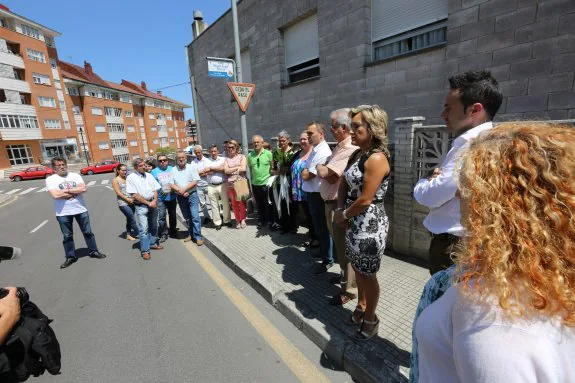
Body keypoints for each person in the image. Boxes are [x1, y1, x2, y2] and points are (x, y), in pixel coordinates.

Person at [415, 123, 575, 382]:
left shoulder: (491, 325)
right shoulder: (550, 279)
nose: (459, 199)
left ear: (488, 203)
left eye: (464, 189)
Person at [413, 70, 503, 275]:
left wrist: (424, 181)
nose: (443, 115)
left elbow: (430, 196)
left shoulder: (471, 146)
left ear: (474, 110)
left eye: (448, 108)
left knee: (442, 302)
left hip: (454, 247)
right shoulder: (488, 140)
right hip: (464, 243)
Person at [334, 105, 390, 341]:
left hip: (369, 225)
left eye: (357, 126)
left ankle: (371, 318)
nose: (351, 130)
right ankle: (361, 305)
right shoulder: (358, 154)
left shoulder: (377, 158)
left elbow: (366, 199)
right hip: (352, 220)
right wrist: (340, 210)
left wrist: (343, 215)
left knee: (368, 274)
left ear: (373, 128)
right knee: (357, 268)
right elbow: (344, 184)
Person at [317, 108, 359, 305]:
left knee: (344, 248)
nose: (331, 130)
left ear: (344, 127)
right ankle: (344, 279)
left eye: (333, 126)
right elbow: (326, 169)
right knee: (339, 246)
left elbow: (329, 173)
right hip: (330, 203)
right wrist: (322, 167)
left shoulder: (349, 147)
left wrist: (319, 167)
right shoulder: (339, 147)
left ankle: (349, 291)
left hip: (337, 205)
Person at [47, 156, 106, 269]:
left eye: (63, 164)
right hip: (63, 212)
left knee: (88, 232)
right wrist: (75, 192)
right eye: (58, 165)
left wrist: (66, 191)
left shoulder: (75, 175)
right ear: (54, 167)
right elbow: (55, 195)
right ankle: (70, 256)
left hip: (80, 209)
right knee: (67, 235)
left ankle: (93, 251)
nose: (62, 167)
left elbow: (83, 189)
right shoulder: (51, 179)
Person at [302, 122, 334, 274]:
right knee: (319, 227)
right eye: (307, 134)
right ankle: (326, 254)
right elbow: (305, 171)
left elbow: (307, 175)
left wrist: (306, 170)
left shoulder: (322, 151)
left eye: (310, 134)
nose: (308, 136)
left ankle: (328, 259)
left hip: (318, 195)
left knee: (322, 228)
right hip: (312, 193)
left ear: (321, 134)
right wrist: (306, 170)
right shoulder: (314, 150)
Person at [126, 158, 164, 260]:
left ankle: (153, 243)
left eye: (144, 165)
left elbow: (155, 189)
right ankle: (145, 251)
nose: (144, 167)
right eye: (141, 165)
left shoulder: (149, 175)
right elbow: (134, 194)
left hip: (153, 203)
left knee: (154, 225)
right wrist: (148, 203)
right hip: (141, 206)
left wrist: (155, 201)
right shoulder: (130, 178)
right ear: (135, 167)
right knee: (144, 229)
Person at [171, 151, 203, 245]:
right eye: (179, 158)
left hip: (192, 195)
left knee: (195, 216)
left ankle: (198, 237)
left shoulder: (191, 167)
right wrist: (180, 191)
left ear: (186, 158)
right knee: (187, 218)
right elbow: (171, 184)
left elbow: (195, 181)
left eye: (183, 157)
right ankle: (190, 234)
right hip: (180, 197)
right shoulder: (173, 170)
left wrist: (184, 190)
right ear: (176, 159)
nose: (181, 159)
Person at [290, 131, 316, 247]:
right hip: (298, 190)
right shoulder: (298, 153)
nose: (302, 141)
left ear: (310, 139)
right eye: (300, 139)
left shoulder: (313, 154)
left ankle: (315, 238)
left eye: (304, 139)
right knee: (306, 214)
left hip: (309, 190)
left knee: (312, 215)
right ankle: (312, 235)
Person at [271, 130, 296, 233]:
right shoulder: (277, 152)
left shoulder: (294, 152)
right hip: (279, 182)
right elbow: (273, 167)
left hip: (290, 182)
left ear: (288, 140)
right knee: (282, 204)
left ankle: (293, 226)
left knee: (291, 204)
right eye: (280, 141)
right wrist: (278, 170)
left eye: (283, 140)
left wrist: (282, 170)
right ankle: (284, 226)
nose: (281, 143)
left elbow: (292, 167)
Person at [248, 135, 273, 229]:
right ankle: (260, 220)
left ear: (262, 143)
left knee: (268, 204)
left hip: (266, 183)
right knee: (258, 204)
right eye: (254, 142)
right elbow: (250, 170)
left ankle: (269, 221)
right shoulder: (250, 155)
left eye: (258, 142)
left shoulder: (268, 154)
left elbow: (272, 167)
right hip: (255, 184)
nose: (256, 144)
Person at [151, 154, 178, 242]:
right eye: (160, 161)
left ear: (167, 160)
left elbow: (177, 181)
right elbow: (152, 185)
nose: (162, 162)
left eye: (164, 160)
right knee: (162, 217)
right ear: (158, 162)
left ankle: (173, 230)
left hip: (172, 197)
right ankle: (163, 233)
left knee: (173, 215)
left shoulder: (173, 169)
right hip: (160, 198)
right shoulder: (154, 172)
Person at [206, 144, 231, 230]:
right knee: (214, 205)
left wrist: (212, 168)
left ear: (218, 151)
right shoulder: (206, 160)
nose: (213, 153)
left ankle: (227, 220)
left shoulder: (223, 159)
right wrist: (218, 168)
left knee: (225, 203)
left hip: (222, 184)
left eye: (215, 151)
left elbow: (224, 169)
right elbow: (206, 172)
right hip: (211, 185)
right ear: (209, 152)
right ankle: (217, 222)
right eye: (212, 151)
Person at [224, 140, 247, 229]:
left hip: (240, 182)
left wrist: (231, 169)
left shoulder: (242, 157)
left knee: (241, 202)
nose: (230, 149)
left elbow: (243, 168)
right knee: (234, 203)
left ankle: (243, 219)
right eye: (228, 147)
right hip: (230, 184)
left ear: (236, 148)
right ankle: (237, 220)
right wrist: (237, 167)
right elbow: (226, 171)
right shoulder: (226, 159)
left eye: (232, 147)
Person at [112, 163, 139, 241]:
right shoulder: (115, 180)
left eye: (126, 170)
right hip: (123, 203)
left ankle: (128, 235)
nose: (125, 172)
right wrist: (127, 200)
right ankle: (141, 234)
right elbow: (118, 192)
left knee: (129, 219)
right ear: (118, 171)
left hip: (132, 201)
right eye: (123, 170)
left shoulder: (127, 178)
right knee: (132, 218)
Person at [191, 145, 212, 226]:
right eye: (196, 153)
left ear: (201, 151)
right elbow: (193, 174)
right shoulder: (193, 162)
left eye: (199, 152)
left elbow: (209, 171)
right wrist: (202, 172)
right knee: (202, 203)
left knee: (213, 202)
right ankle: (207, 217)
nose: (198, 154)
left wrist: (198, 173)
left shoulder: (207, 160)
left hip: (208, 184)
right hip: (198, 185)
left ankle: (217, 216)